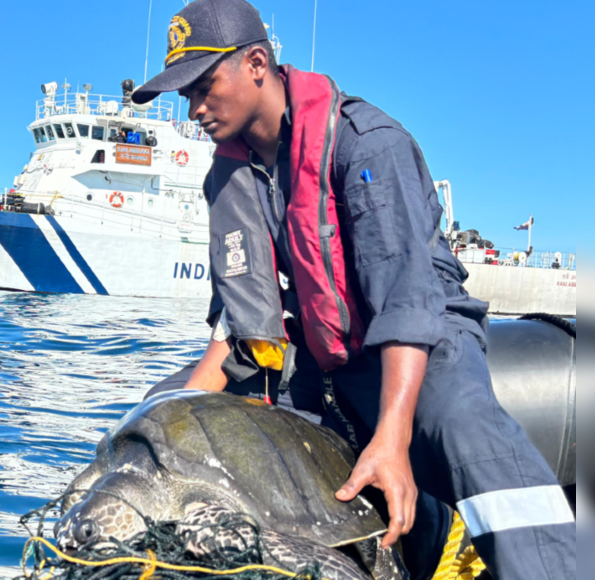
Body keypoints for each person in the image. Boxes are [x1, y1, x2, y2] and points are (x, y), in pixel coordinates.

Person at [131, 2, 575, 580]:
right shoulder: (227, 176)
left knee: (462, 424)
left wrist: (392, 438)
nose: (194, 109)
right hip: (317, 346)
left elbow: (409, 303)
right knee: (163, 409)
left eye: (203, 86)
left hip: (419, 331)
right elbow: (240, 319)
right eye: (185, 96)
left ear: (257, 63)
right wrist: (180, 417)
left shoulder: (370, 145)